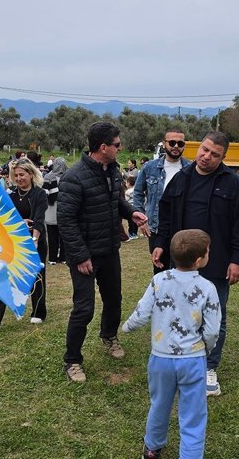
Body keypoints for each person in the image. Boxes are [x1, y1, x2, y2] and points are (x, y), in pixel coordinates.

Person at [152, 131, 239, 397]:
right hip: (182, 261)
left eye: (214, 154)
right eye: (205, 150)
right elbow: (165, 215)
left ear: (223, 157)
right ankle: (181, 357)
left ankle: (209, 366)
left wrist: (238, 260)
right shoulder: (181, 178)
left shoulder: (233, 184)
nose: (207, 157)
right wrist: (161, 244)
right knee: (180, 310)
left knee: (213, 316)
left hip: (217, 262)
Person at [58, 122, 148, 383]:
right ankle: (72, 360)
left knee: (114, 299)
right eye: (117, 144)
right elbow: (66, 221)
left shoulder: (113, 171)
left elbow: (115, 201)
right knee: (83, 308)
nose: (121, 148)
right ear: (103, 147)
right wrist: (81, 256)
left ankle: (109, 336)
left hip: (109, 249)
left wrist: (131, 212)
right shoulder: (74, 178)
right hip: (85, 256)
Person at [121, 229, 221, 459]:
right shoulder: (207, 288)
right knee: (193, 414)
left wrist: (127, 326)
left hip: (160, 359)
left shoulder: (159, 280)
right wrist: (207, 346)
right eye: (208, 252)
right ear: (199, 260)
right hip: (192, 360)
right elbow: (213, 329)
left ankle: (152, 447)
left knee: (159, 404)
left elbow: (142, 311)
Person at [0, 159, 49, 329]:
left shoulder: (39, 194)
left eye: (22, 174)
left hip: (34, 241)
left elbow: (39, 219)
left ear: (31, 174)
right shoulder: (10, 195)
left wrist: (35, 240)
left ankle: (38, 312)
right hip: (14, 242)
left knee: (36, 276)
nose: (18, 178)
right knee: (5, 275)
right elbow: (3, 219)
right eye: (15, 175)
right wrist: (19, 222)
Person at [133, 129, 192, 274]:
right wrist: (142, 218)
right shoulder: (150, 167)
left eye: (180, 143)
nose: (176, 146)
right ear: (164, 144)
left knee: (183, 271)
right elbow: (138, 192)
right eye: (172, 142)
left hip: (183, 229)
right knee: (160, 271)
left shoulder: (191, 169)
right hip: (157, 228)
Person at [43, 156, 68, 265]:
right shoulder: (67, 176)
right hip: (55, 209)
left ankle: (61, 257)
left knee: (60, 235)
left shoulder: (50, 176)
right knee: (56, 235)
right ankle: (55, 257)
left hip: (58, 209)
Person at [124, 176, 139, 240]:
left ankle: (131, 233)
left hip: (130, 209)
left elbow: (125, 200)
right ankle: (135, 233)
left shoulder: (127, 192)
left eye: (126, 183)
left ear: (129, 183)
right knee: (136, 221)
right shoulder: (136, 190)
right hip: (136, 208)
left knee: (131, 222)